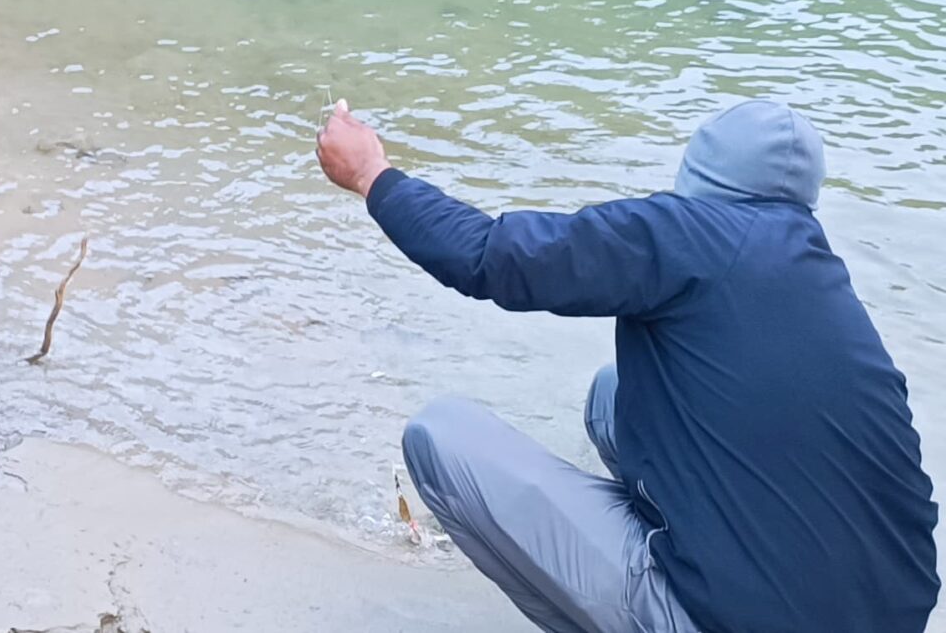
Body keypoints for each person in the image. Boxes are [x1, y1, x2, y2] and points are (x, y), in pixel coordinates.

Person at [317, 97, 939, 633]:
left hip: (737, 622)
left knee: (440, 437)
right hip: (892, 615)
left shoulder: (686, 232)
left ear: (701, 169)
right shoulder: (819, 272)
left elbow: (488, 257)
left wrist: (374, 176)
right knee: (612, 396)